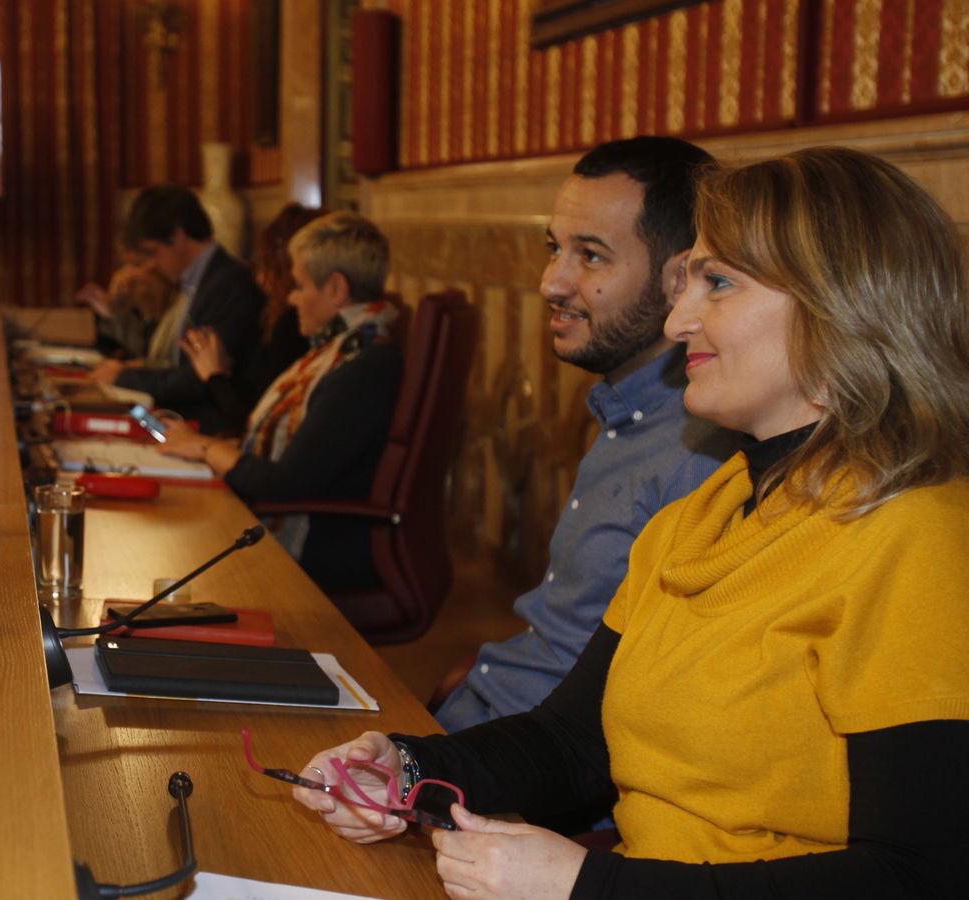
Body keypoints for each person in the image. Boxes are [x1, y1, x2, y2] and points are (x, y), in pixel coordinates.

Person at [290, 147, 969, 898]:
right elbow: (574, 741)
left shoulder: (920, 537)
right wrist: (410, 767)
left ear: (841, 303)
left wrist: (588, 886)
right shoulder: (703, 514)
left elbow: (919, 876)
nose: (679, 321)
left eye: (717, 283)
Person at [435, 137, 739, 741]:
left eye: (592, 256)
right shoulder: (626, 413)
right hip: (480, 723)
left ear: (681, 278)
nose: (552, 282)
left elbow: (644, 720)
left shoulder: (698, 456)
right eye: (555, 249)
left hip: (527, 781)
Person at [158, 211, 400, 591]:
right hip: (326, 528)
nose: (290, 297)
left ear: (336, 289)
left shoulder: (361, 367)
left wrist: (206, 447)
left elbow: (283, 482)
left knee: (175, 556)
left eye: (300, 285)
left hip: (328, 550)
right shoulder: (345, 350)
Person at [88, 185, 265, 434]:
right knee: (105, 419)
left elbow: (198, 379)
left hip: (207, 429)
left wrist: (123, 377)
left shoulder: (229, 283)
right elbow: (164, 356)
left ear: (179, 236)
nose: (150, 265)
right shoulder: (195, 280)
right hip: (175, 418)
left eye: (153, 252)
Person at [179, 203, 322, 430]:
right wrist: (225, 373)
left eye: (266, 265)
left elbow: (256, 424)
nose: (260, 278)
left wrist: (214, 375)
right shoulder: (282, 319)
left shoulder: (294, 325)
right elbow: (258, 398)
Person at [74, 249, 177, 359]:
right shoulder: (140, 312)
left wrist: (114, 314)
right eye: (126, 265)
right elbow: (126, 350)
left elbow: (149, 358)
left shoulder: (175, 309)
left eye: (136, 265)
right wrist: (111, 310)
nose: (127, 274)